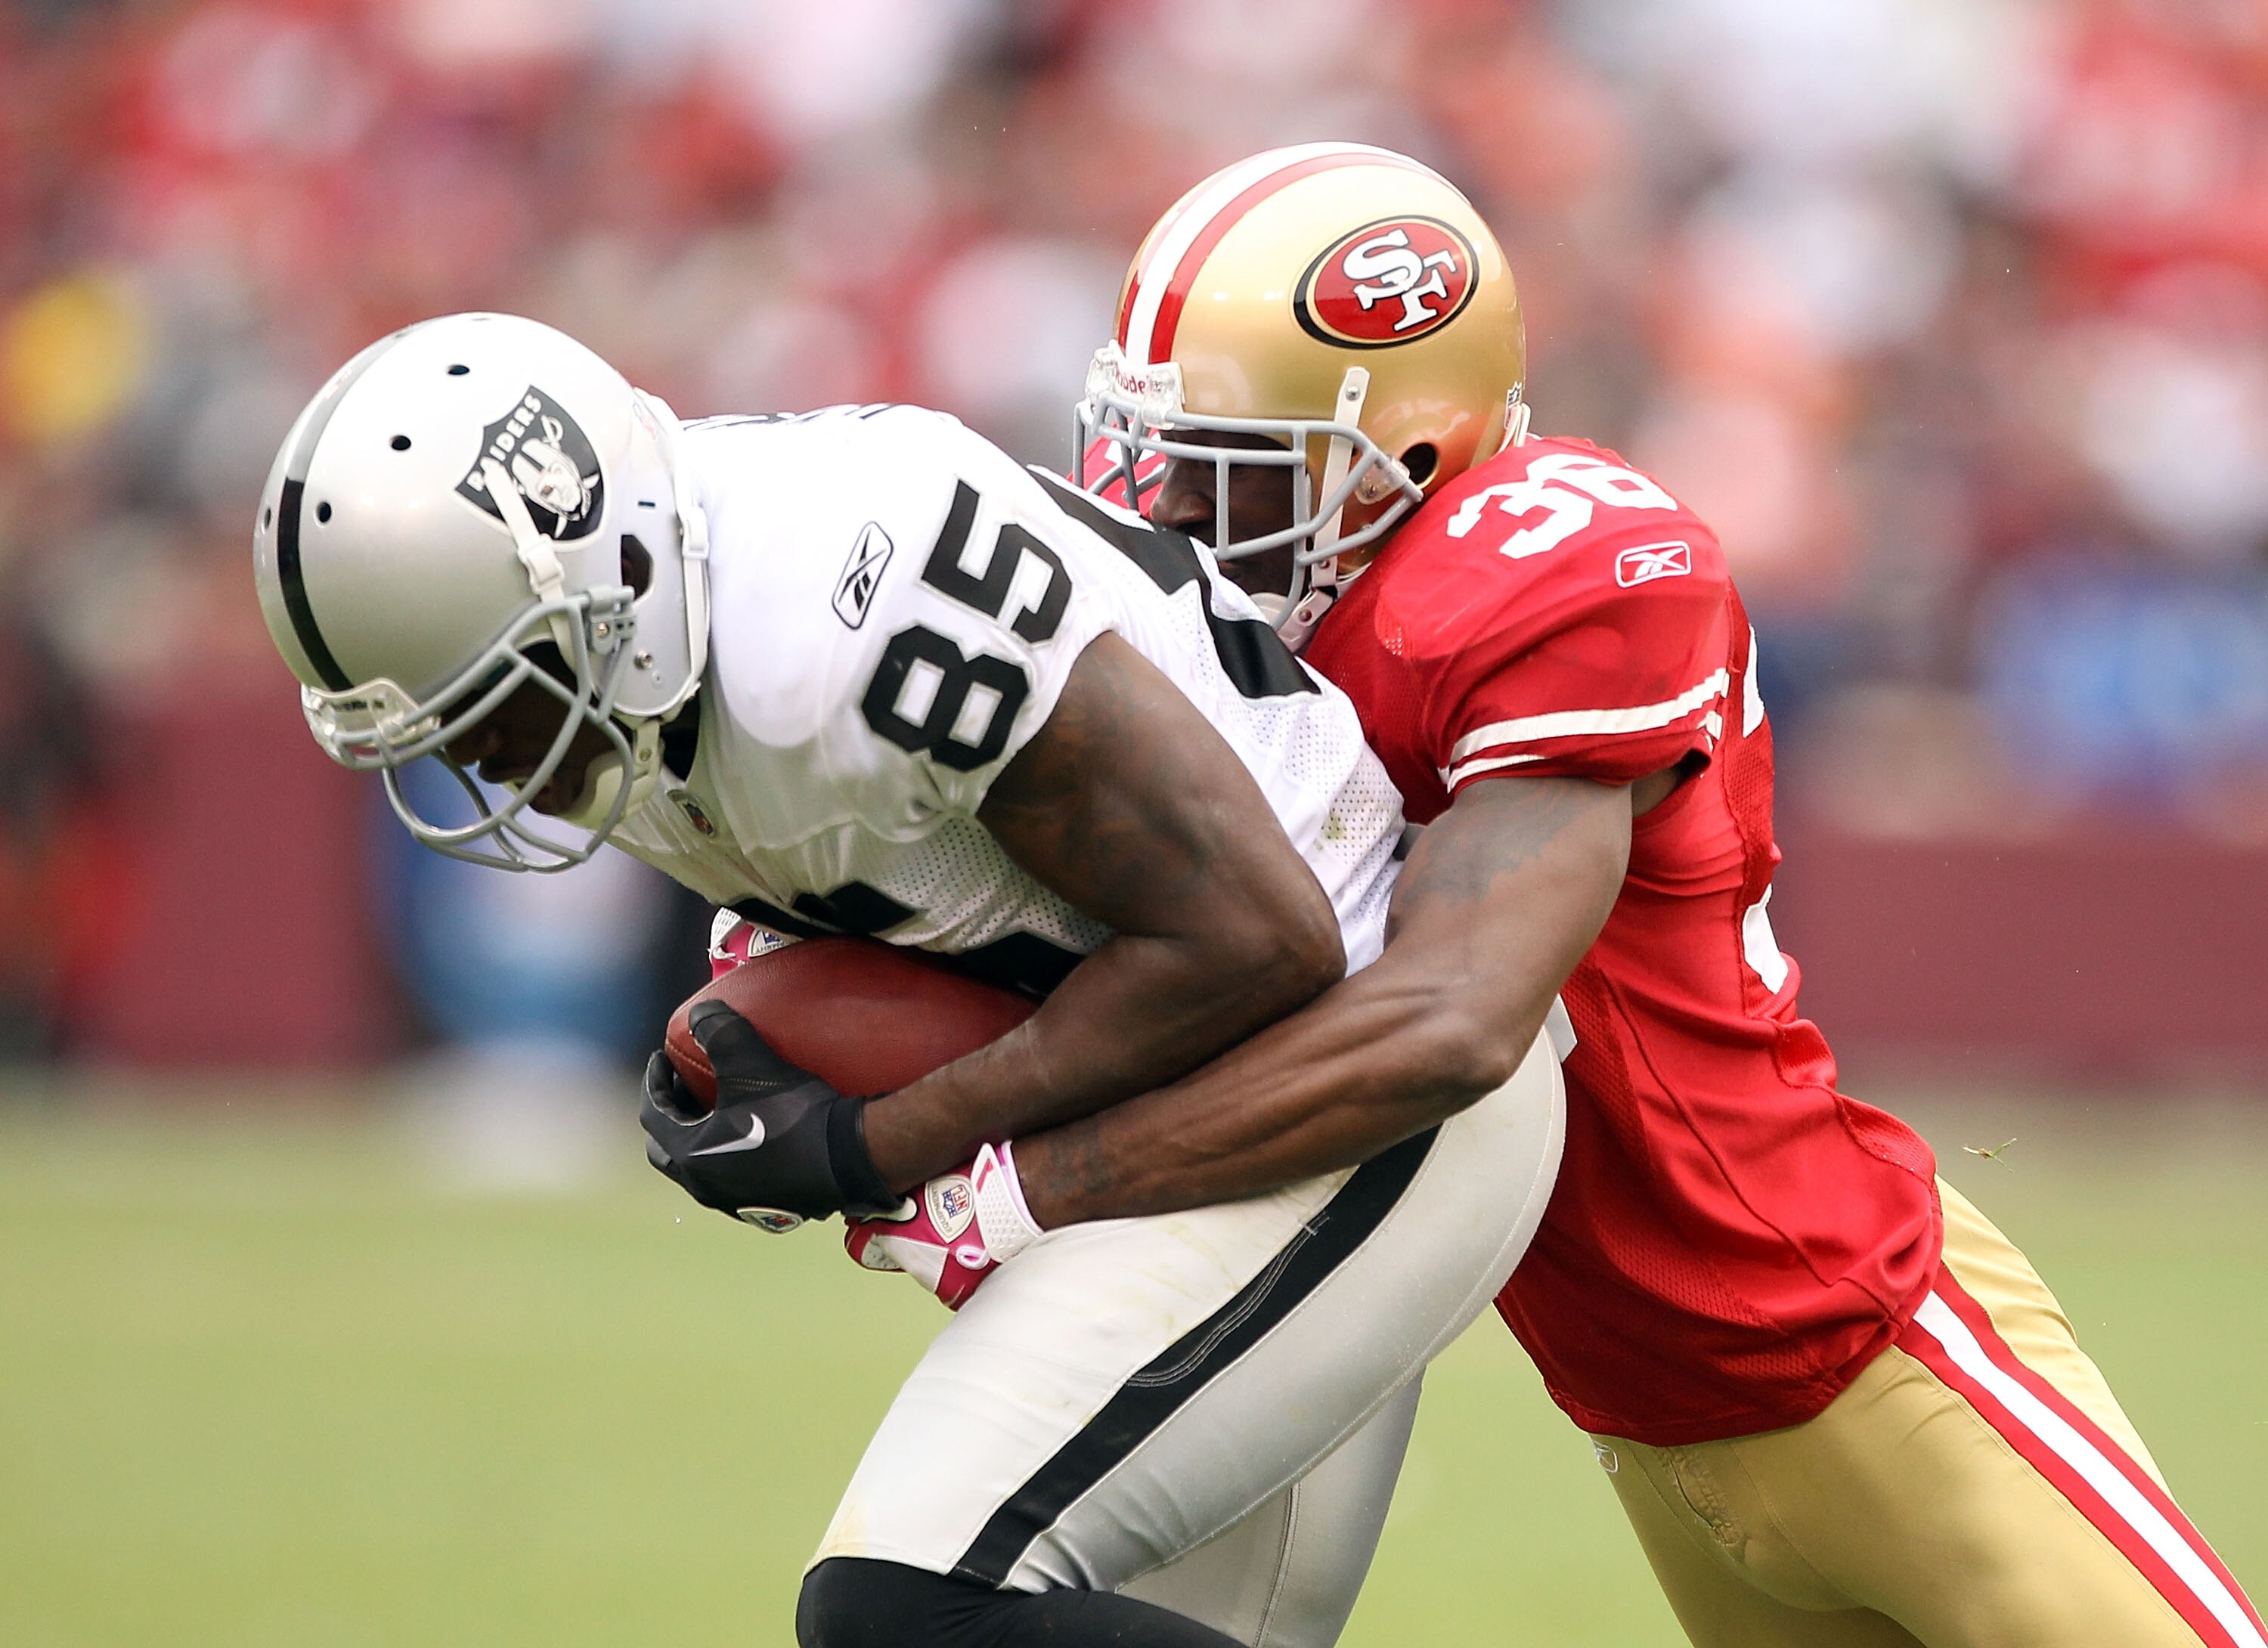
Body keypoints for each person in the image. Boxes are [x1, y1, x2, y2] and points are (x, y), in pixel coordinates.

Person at [861, 142, 2263, 1648]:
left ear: (1407, 457)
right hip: (1649, 1422)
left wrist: (1020, 1183)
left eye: (1228, 469)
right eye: (1149, 454)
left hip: (1858, 1337)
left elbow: (1455, 1014)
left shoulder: (1540, 573)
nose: (1173, 514)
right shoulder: (1257, 679)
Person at [250, 311, 1566, 1648]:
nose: (484, 760)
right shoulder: (652, 626)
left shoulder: (850, 599)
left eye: (487, 699)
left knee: (906, 1609)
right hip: (1229, 1100)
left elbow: (1257, 941)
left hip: (1349, 1085)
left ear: (597, 576)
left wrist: (884, 1143)